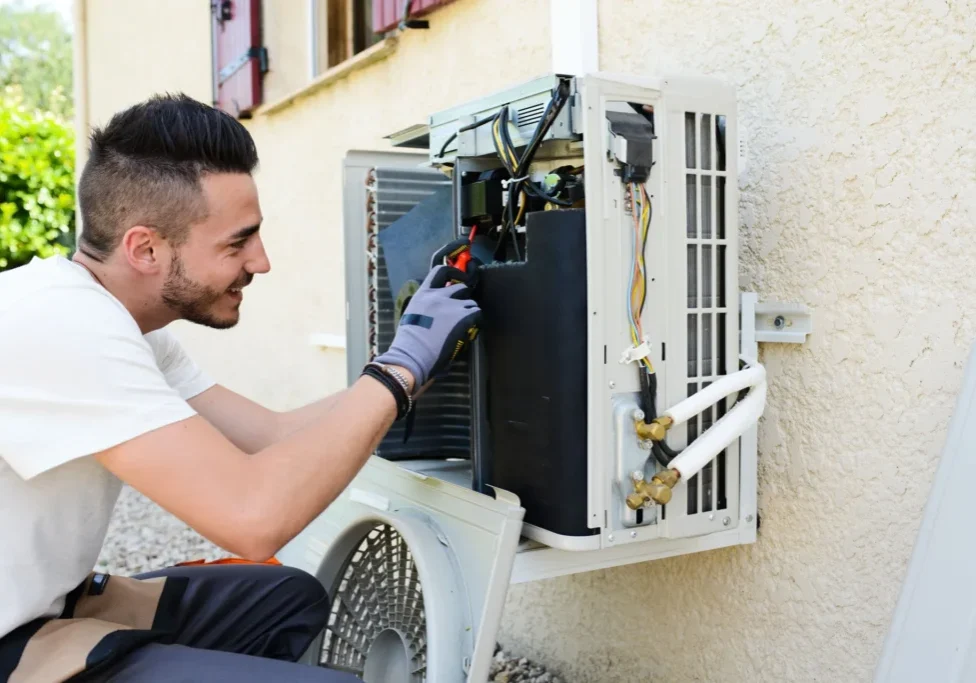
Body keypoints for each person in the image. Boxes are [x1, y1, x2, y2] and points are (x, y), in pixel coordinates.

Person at [0, 93, 481, 682]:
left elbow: (269, 436)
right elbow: (254, 520)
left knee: (286, 600)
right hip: (11, 645)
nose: (262, 261)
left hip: (46, 606)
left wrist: (419, 361)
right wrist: (398, 372)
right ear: (146, 248)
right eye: (237, 242)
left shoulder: (120, 323)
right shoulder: (64, 327)